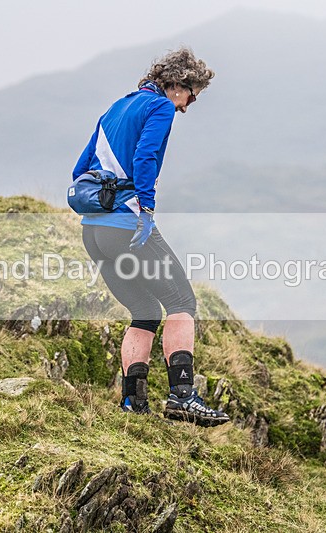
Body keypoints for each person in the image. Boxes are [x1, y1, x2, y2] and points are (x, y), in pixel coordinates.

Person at [71, 48, 229, 427]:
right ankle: (182, 396)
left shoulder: (116, 107)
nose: (187, 106)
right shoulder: (159, 107)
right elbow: (144, 158)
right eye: (191, 96)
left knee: (144, 312)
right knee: (182, 303)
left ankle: (133, 403)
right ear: (178, 84)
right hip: (126, 226)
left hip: (93, 231)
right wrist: (148, 209)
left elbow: (80, 168)